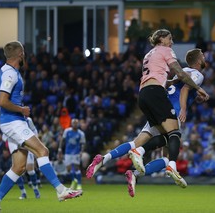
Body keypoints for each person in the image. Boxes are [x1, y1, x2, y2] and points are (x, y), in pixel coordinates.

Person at [86, 48, 207, 196]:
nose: (205, 57)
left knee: (141, 144)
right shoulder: (198, 75)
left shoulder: (182, 71)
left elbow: (175, 85)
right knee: (172, 137)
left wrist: (196, 95)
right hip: (170, 110)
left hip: (159, 107)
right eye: (203, 56)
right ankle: (142, 164)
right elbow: (185, 89)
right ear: (198, 60)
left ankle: (105, 159)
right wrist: (183, 109)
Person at [0, 41, 82, 213]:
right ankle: (61, 190)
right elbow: (2, 101)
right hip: (12, 121)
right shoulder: (10, 74)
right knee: (42, 151)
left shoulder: (9, 71)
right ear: (20, 54)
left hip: (14, 121)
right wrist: (21, 109)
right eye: (24, 52)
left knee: (19, 167)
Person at [16, 117, 41, 200]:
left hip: (29, 146)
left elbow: (34, 131)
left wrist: (35, 143)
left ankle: (36, 191)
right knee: (17, 171)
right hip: (18, 147)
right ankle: (23, 193)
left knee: (30, 170)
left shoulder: (28, 120)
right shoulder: (13, 120)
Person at [58, 118, 86, 190]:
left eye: (76, 123)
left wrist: (81, 151)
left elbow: (83, 143)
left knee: (76, 168)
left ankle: (79, 184)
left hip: (76, 152)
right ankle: (74, 181)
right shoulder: (67, 131)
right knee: (68, 169)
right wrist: (60, 149)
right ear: (71, 123)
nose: (75, 124)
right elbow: (62, 140)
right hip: (68, 152)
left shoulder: (81, 133)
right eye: (74, 123)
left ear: (78, 124)